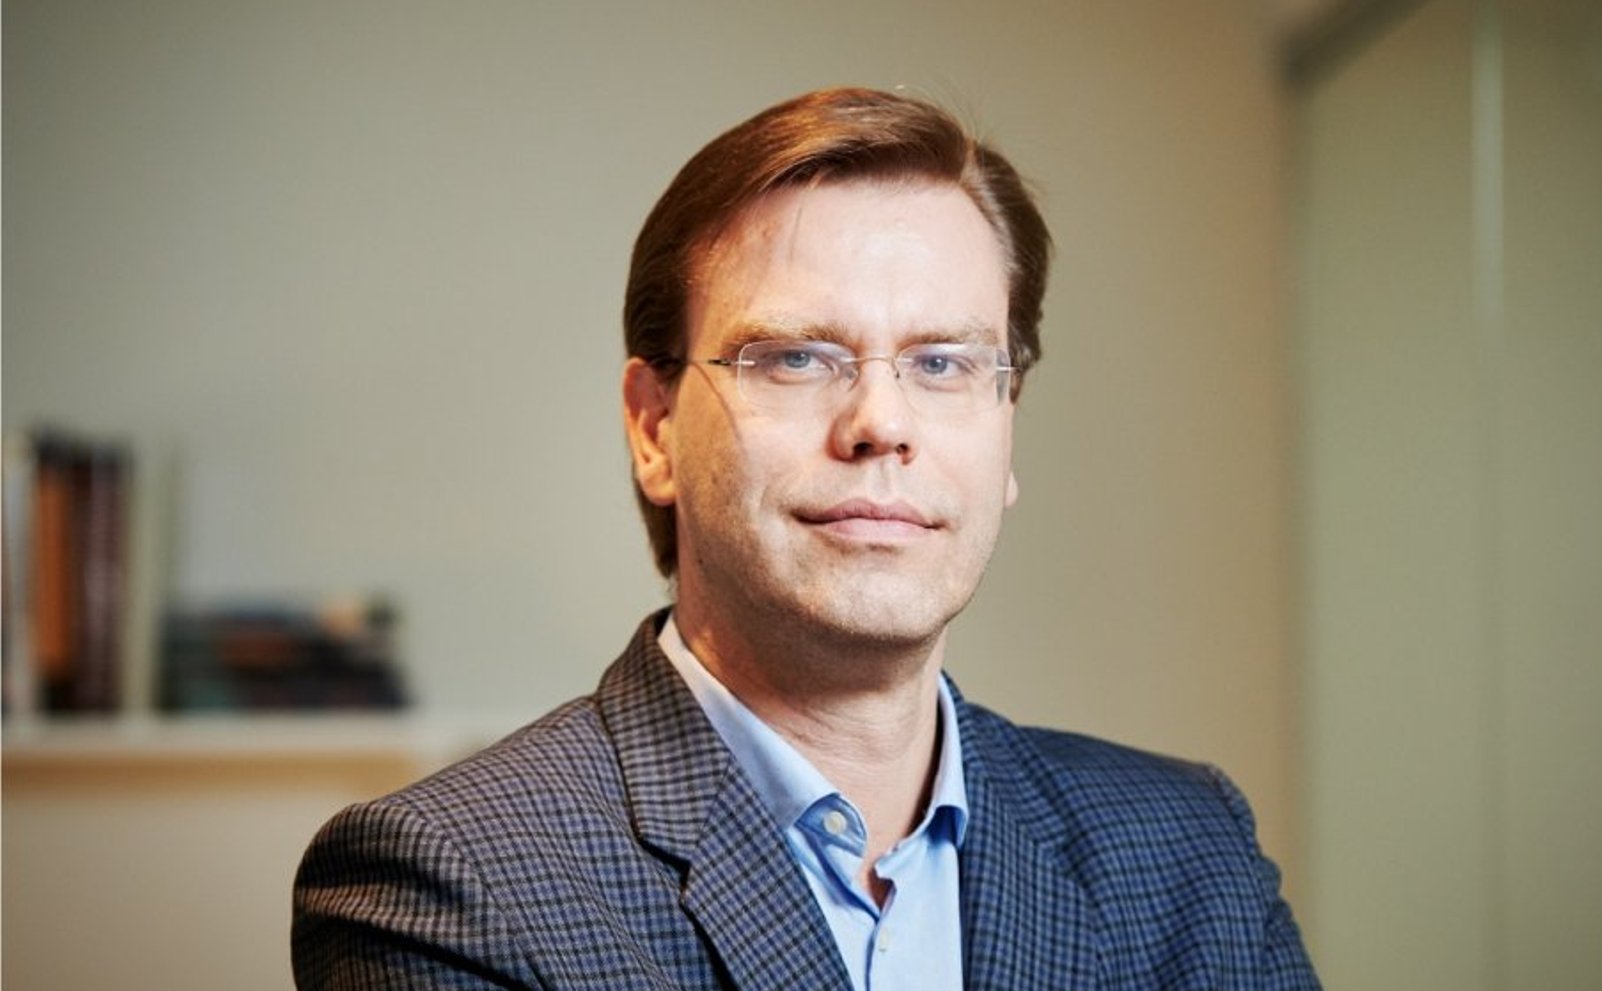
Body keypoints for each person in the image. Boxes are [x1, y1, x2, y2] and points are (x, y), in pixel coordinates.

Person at [292, 86, 1319, 991]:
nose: (882, 423)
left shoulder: (1188, 848)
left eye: (944, 363)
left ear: (1008, 425)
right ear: (654, 429)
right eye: (796, 358)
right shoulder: (451, 880)